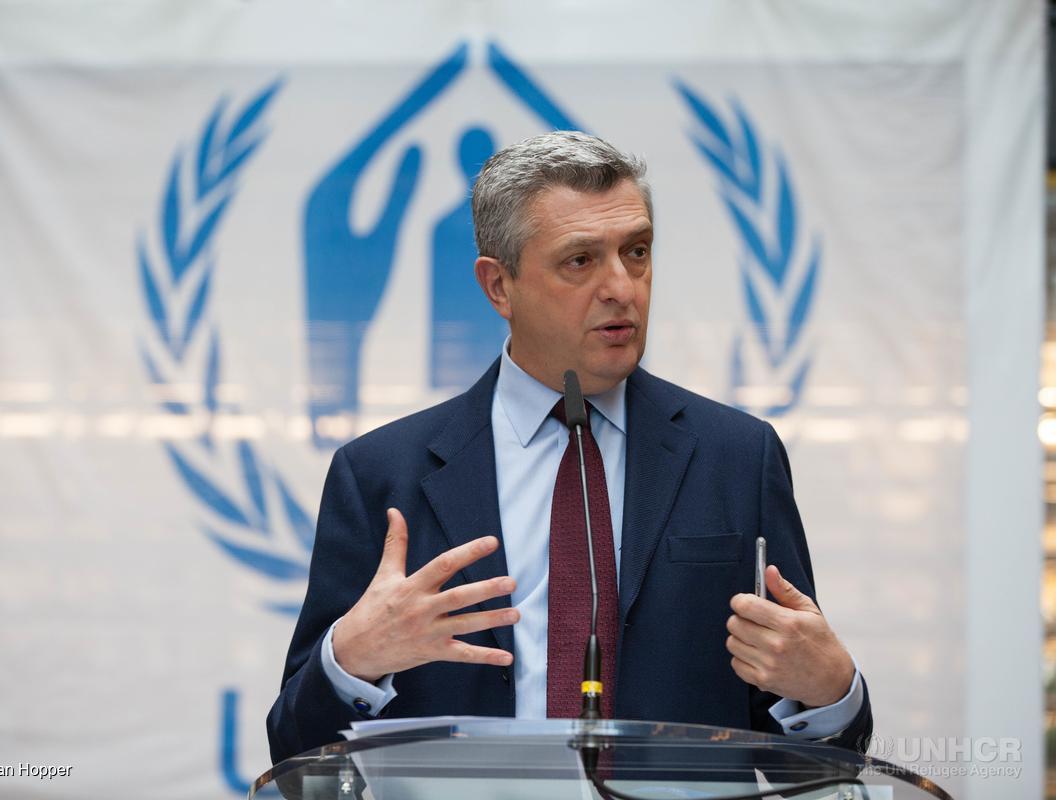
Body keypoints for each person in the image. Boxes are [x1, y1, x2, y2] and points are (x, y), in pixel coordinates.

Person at [267, 131, 872, 764]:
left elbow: (820, 751)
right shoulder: (380, 474)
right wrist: (353, 662)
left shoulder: (738, 458)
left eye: (636, 252)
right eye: (580, 260)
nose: (622, 286)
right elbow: (295, 747)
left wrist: (829, 691)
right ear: (499, 287)